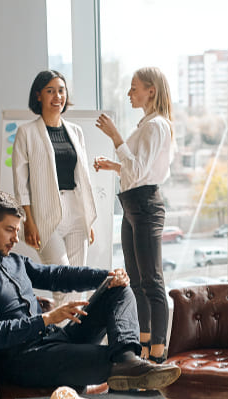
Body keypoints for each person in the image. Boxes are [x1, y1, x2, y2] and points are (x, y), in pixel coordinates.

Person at [0, 190, 180, 391]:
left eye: (17, 230)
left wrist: (106, 277)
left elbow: (56, 275)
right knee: (110, 360)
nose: (16, 239)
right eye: (9, 230)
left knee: (119, 290)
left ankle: (128, 359)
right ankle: (127, 367)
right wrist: (47, 319)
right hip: (26, 360)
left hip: (56, 340)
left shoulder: (13, 260)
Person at [94, 66, 175, 363]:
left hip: (144, 205)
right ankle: (142, 348)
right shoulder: (147, 124)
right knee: (137, 281)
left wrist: (116, 137)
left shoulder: (156, 126)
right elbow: (138, 168)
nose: (129, 93)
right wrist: (113, 166)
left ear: (150, 90)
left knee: (151, 280)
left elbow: (141, 172)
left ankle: (157, 354)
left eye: (134, 87)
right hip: (131, 203)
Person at [12, 70, 97, 270]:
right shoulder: (26, 132)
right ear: (38, 95)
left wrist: (88, 219)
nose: (57, 96)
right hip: (45, 214)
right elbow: (20, 182)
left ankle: (73, 304)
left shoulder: (76, 132)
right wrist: (28, 221)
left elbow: (83, 177)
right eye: (50, 91)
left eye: (61, 90)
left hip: (76, 212)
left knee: (78, 280)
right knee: (60, 279)